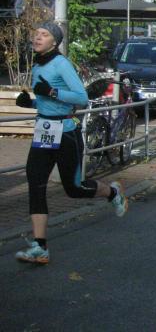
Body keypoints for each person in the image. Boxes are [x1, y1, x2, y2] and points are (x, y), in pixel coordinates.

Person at [14, 23, 128, 264]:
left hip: (66, 132)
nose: (37, 37)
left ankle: (112, 192)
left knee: (74, 189)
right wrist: (31, 103)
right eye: (36, 34)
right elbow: (46, 102)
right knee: (36, 184)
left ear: (54, 42)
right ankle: (40, 247)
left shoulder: (61, 64)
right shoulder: (38, 65)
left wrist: (52, 92)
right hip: (44, 130)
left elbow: (81, 98)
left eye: (44, 34)